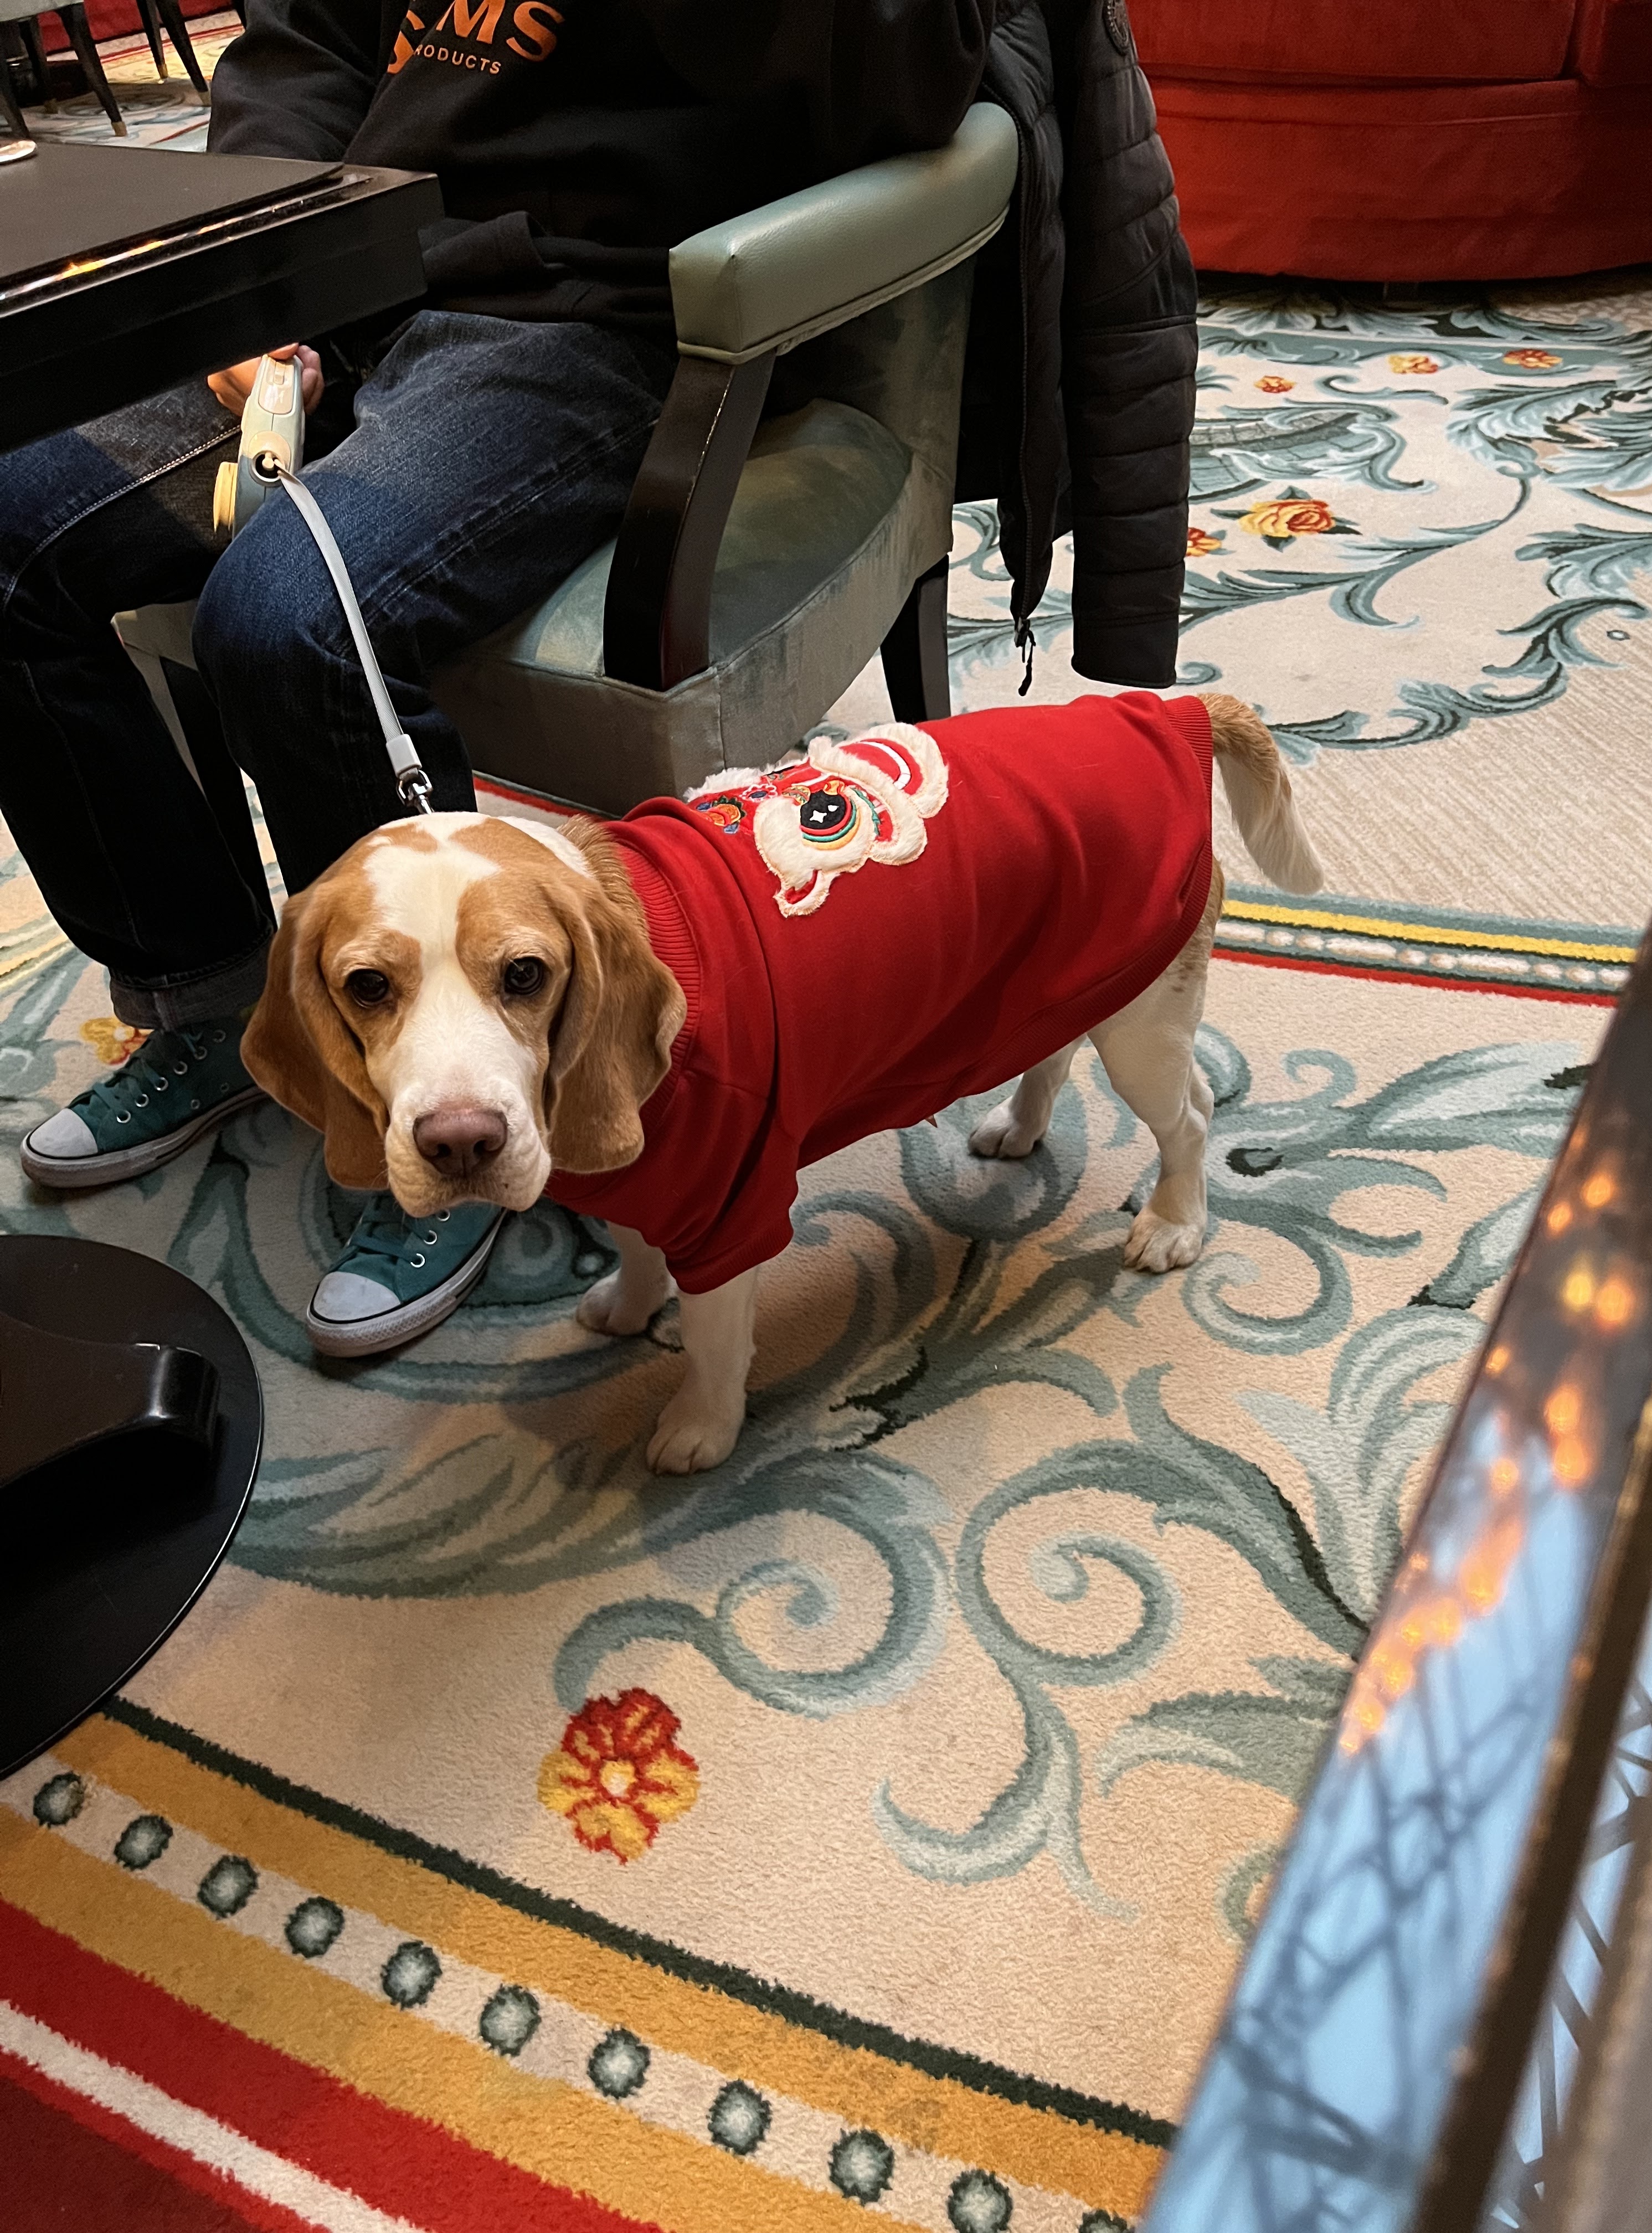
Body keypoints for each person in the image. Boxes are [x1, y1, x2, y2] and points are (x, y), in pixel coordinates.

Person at [0, 0, 994, 1355]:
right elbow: (306, 48)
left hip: (585, 307)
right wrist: (254, 271)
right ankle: (210, 1000)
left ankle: (469, 1119)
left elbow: (900, 85)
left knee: (286, 617)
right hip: (341, 273)